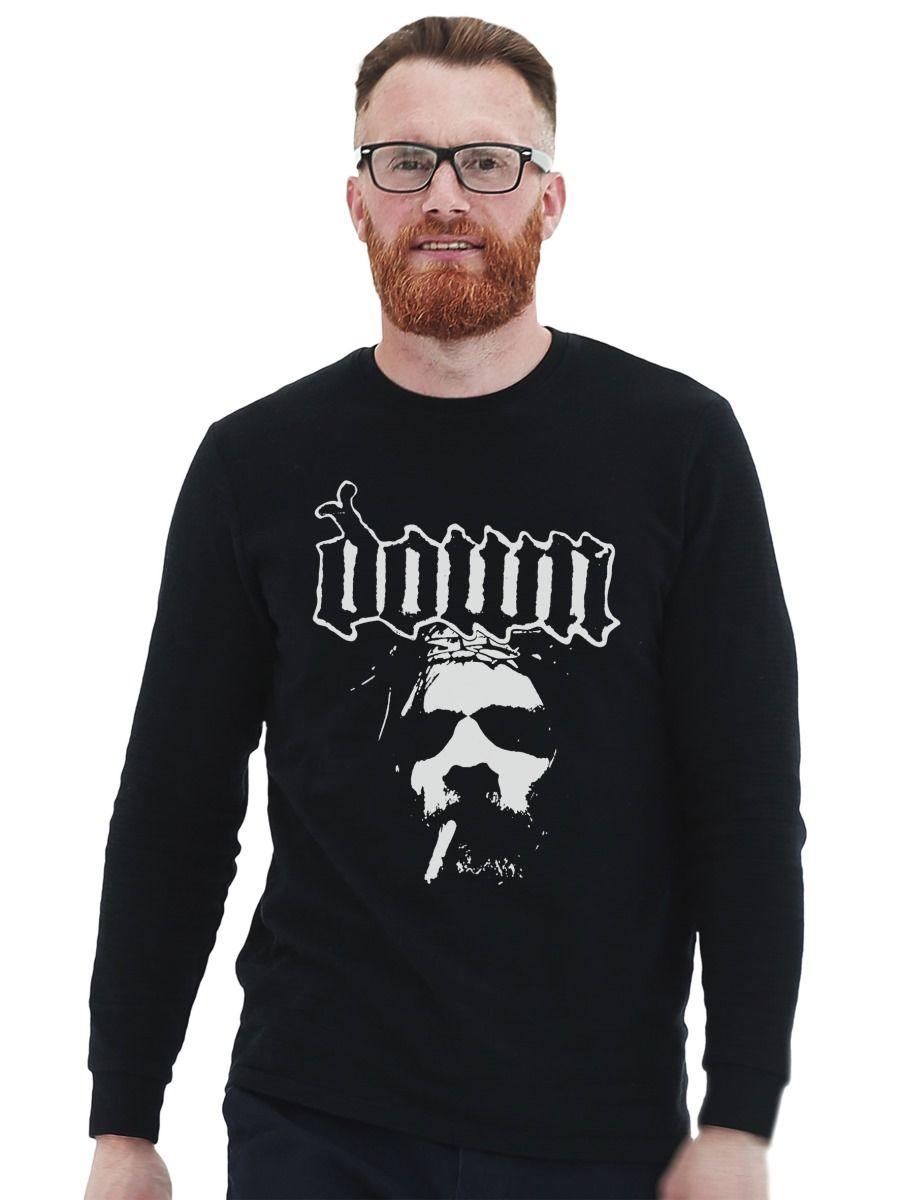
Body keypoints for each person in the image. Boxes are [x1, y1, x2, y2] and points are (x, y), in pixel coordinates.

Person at [84, 15, 805, 1200]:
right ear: (357, 202)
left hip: (599, 1125)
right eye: (406, 160)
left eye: (489, 162)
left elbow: (744, 802)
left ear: (550, 201)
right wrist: (124, 1119)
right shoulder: (255, 467)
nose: (446, 196)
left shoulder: (679, 450)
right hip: (317, 1120)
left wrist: (740, 1114)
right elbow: (176, 804)